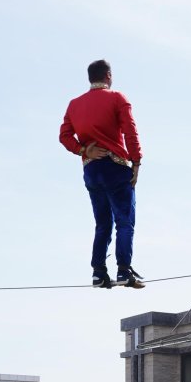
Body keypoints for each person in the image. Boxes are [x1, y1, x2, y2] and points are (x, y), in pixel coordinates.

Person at [59, 59, 145, 290]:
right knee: (124, 221)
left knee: (102, 223)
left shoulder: (74, 104)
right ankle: (124, 270)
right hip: (115, 166)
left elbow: (65, 136)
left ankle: (98, 273)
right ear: (108, 75)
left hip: (91, 170)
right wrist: (136, 161)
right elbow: (130, 131)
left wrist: (83, 149)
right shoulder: (117, 98)